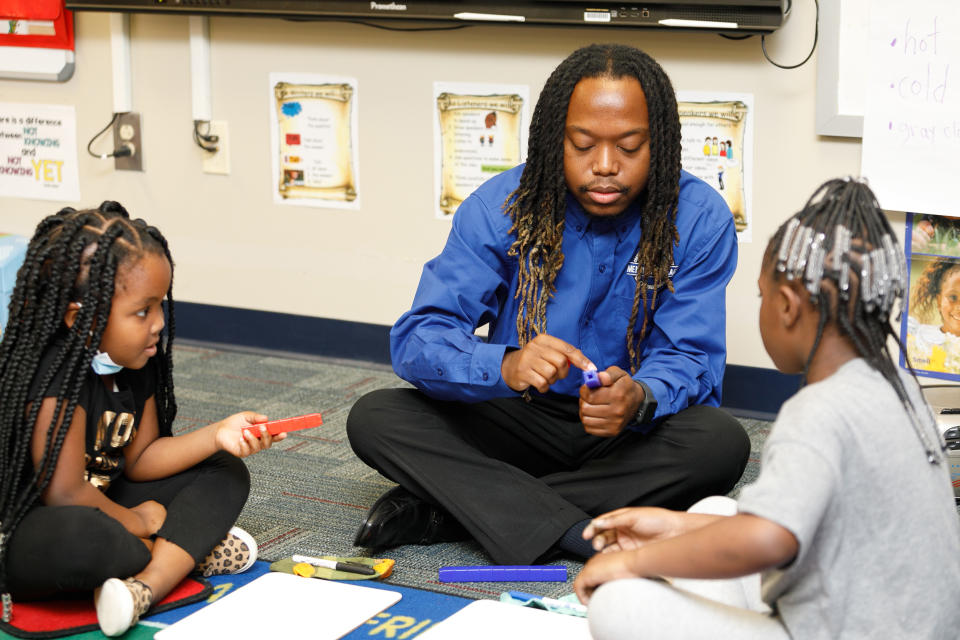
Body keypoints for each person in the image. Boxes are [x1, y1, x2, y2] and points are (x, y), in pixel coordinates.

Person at [346, 44, 749, 566]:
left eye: (629, 147)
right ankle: (578, 529)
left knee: (719, 443)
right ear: (552, 141)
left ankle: (454, 511)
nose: (605, 167)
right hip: (516, 413)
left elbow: (691, 358)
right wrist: (506, 365)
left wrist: (641, 395)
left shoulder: (698, 218)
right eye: (582, 145)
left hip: (622, 431)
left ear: (662, 146)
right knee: (376, 416)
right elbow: (420, 336)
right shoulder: (499, 207)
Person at [573, 178, 960, 639]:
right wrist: (675, 526)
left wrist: (630, 561)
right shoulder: (900, 389)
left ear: (789, 307)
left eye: (762, 297)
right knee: (716, 510)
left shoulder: (817, 412)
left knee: (619, 602)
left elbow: (769, 540)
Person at [0, 202, 285, 636]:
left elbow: (142, 457)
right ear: (83, 319)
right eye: (142, 311)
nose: (157, 325)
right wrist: (140, 521)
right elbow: (64, 493)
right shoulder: (53, 375)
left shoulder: (135, 359)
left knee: (224, 471)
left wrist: (218, 435)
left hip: (106, 500)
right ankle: (184, 551)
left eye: (160, 308)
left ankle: (142, 590)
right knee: (87, 540)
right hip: (37, 524)